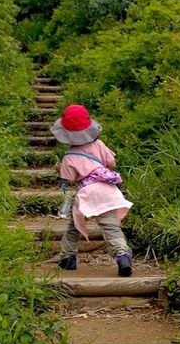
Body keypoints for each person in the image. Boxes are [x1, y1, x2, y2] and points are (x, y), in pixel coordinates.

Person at [51, 104, 134, 277]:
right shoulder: (100, 145)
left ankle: (68, 257)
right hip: (108, 191)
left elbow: (69, 179)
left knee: (74, 226)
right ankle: (122, 255)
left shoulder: (69, 157)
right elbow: (112, 164)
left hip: (87, 194)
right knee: (111, 226)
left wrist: (60, 169)